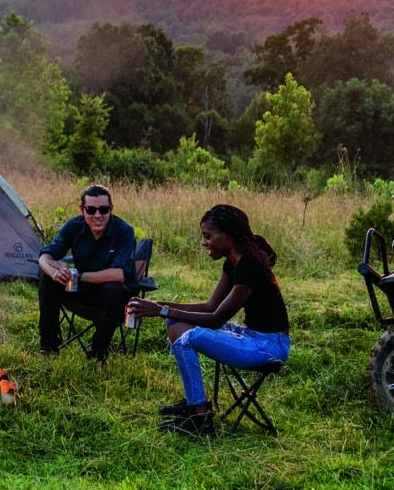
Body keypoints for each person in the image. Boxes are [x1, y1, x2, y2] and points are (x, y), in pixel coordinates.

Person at [128, 203, 290, 437]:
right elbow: (210, 306)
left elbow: (214, 319)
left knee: (189, 337)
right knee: (177, 325)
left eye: (208, 236)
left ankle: (200, 419)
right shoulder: (231, 263)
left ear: (228, 236)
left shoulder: (249, 268)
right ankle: (195, 403)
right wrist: (157, 307)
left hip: (270, 347)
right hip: (250, 336)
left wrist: (160, 310)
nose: (204, 243)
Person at [36, 184, 138, 360]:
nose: (97, 216)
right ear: (82, 209)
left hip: (115, 298)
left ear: (111, 209)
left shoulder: (124, 231)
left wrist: (79, 276)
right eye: (91, 210)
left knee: (112, 288)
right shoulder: (73, 226)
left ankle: (98, 353)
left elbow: (119, 274)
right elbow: (45, 256)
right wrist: (54, 272)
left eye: (103, 210)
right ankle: (49, 348)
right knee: (46, 280)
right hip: (81, 290)